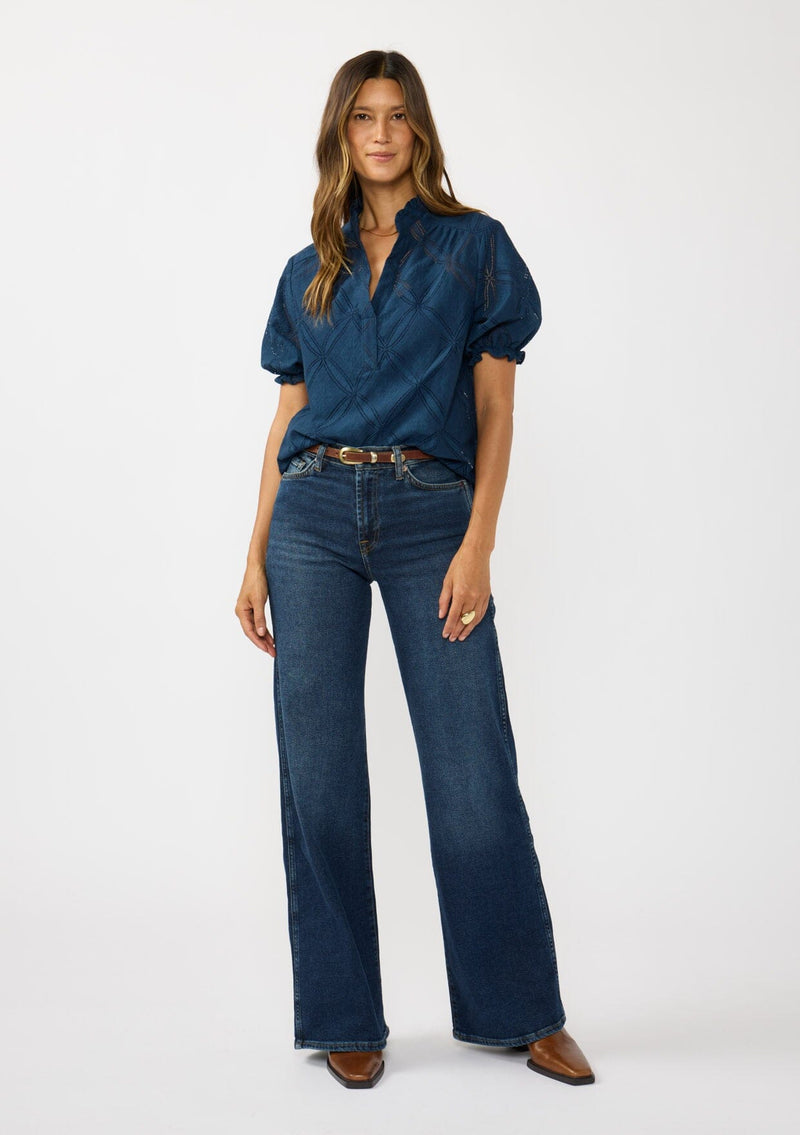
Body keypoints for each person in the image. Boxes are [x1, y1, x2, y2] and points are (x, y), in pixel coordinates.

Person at [235, 49, 595, 1090]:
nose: (380, 134)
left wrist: (478, 541)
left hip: (429, 511)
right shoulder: (309, 264)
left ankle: (520, 1007)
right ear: (340, 134)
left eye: (395, 116)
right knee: (319, 777)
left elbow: (493, 406)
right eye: (361, 118)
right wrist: (253, 547)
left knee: (472, 772)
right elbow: (286, 418)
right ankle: (345, 1012)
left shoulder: (474, 248)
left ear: (419, 129)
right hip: (307, 517)